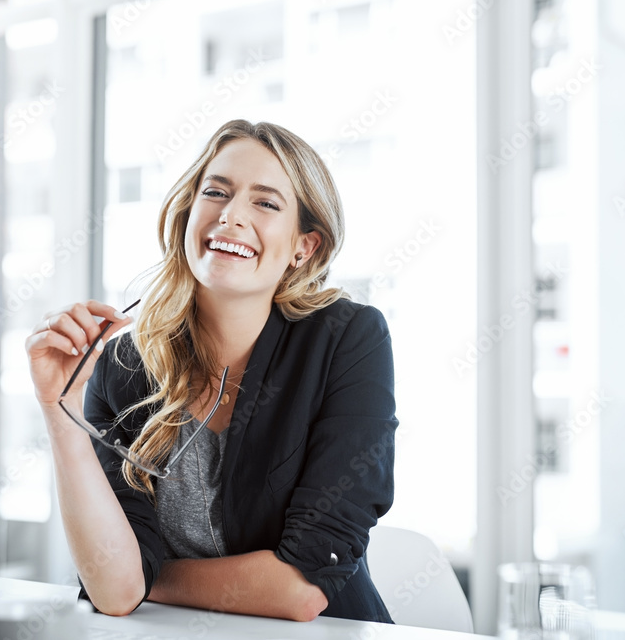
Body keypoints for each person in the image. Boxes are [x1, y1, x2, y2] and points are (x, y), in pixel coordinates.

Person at [25, 119, 397, 623]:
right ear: (188, 216)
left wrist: (148, 579)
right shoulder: (119, 367)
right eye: (216, 192)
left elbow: (302, 588)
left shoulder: (346, 341)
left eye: (265, 203)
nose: (231, 216)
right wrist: (59, 409)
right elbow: (113, 592)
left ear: (302, 248)